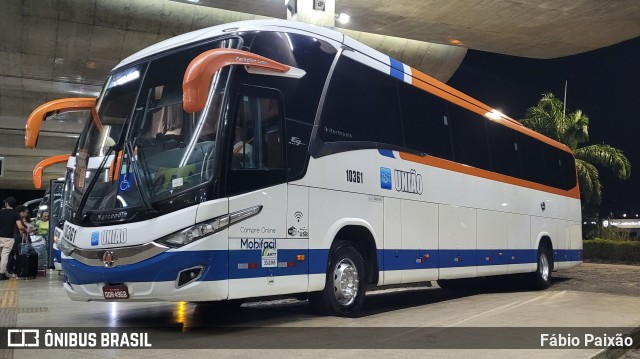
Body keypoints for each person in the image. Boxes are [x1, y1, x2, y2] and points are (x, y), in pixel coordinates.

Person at [0, 197, 26, 280]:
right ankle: (1, 274)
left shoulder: (0, 212)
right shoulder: (15, 214)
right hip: (8, 238)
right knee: (4, 256)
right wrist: (26, 230)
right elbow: (19, 226)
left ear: (6, 203)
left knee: (1, 255)